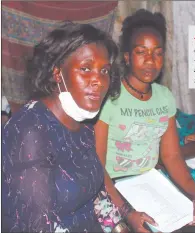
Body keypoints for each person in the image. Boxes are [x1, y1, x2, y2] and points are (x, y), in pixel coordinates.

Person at [94, 9, 195, 233]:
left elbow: (172, 156)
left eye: (157, 53)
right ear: (127, 57)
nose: (150, 61)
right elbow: (97, 166)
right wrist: (127, 213)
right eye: (141, 52)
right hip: (115, 185)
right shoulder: (110, 96)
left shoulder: (164, 97)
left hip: (151, 182)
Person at [1, 22, 124, 232]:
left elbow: (94, 191)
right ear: (58, 73)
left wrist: (121, 224)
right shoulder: (30, 133)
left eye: (104, 71)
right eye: (85, 69)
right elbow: (36, 227)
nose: (99, 81)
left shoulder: (84, 123)